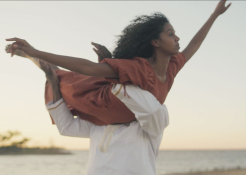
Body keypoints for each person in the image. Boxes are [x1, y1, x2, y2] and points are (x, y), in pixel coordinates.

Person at [5, 0, 231, 126]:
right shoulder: (140, 67)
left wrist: (215, 14)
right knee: (59, 77)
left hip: (118, 106)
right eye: (171, 34)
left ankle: (30, 53)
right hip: (97, 100)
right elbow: (88, 68)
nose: (177, 38)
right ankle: (28, 52)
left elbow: (194, 44)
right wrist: (34, 51)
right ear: (155, 42)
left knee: (63, 74)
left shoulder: (171, 67)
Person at [40, 58, 169, 175]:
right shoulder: (99, 120)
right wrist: (54, 84)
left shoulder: (152, 122)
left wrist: (115, 78)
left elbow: (150, 110)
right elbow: (66, 127)